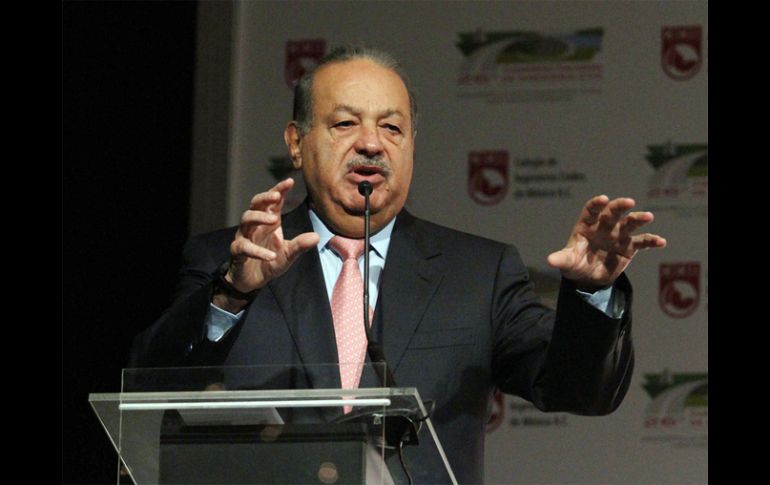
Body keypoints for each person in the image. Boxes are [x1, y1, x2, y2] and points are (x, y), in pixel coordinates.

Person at [130, 45, 666, 484]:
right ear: (296, 142)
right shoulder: (229, 261)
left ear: (412, 145)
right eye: (345, 123)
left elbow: (580, 389)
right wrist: (232, 296)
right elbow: (148, 391)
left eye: (392, 128)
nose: (371, 143)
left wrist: (591, 293)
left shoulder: (477, 274)